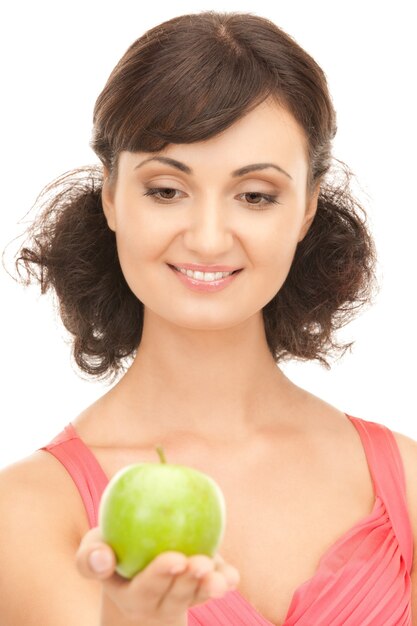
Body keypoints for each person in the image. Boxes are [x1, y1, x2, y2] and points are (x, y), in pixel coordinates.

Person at [0, 9, 415, 626]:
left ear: (305, 210)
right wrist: (132, 615)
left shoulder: (406, 479)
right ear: (111, 195)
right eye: (167, 189)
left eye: (255, 196)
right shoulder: (25, 511)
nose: (209, 237)